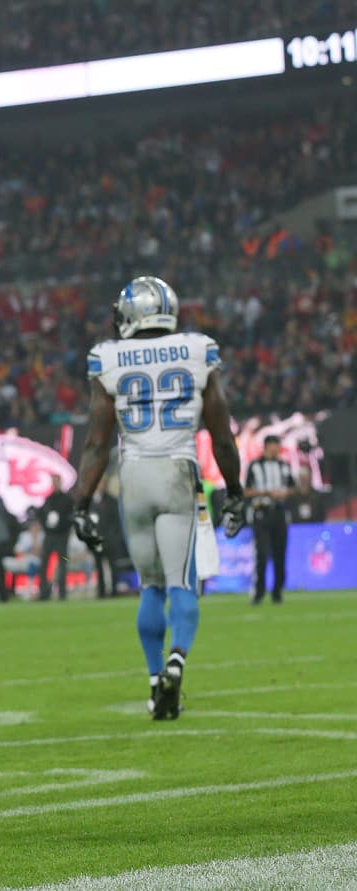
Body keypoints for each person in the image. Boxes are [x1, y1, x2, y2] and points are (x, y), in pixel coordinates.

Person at [70, 275, 244, 721]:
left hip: (134, 475)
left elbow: (96, 442)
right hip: (177, 471)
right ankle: (175, 663)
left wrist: (81, 503)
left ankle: (154, 686)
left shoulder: (107, 357)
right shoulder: (197, 349)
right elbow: (221, 433)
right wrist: (236, 490)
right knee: (183, 581)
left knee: (150, 585)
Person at [244, 435, 294, 605]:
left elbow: (292, 487)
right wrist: (266, 493)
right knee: (262, 554)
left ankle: (278, 592)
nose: (276, 448)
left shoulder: (284, 466)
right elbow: (247, 491)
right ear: (266, 446)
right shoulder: (255, 466)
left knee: (280, 554)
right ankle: (259, 592)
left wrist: (286, 493)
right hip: (261, 513)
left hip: (279, 513)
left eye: (277, 445)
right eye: (273, 445)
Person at [38, 476, 75, 601]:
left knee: (62, 564)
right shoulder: (48, 499)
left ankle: (62, 593)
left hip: (62, 536)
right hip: (50, 535)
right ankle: (43, 592)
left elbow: (71, 517)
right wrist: (47, 525)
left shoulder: (67, 500)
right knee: (44, 563)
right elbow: (41, 515)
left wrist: (61, 524)